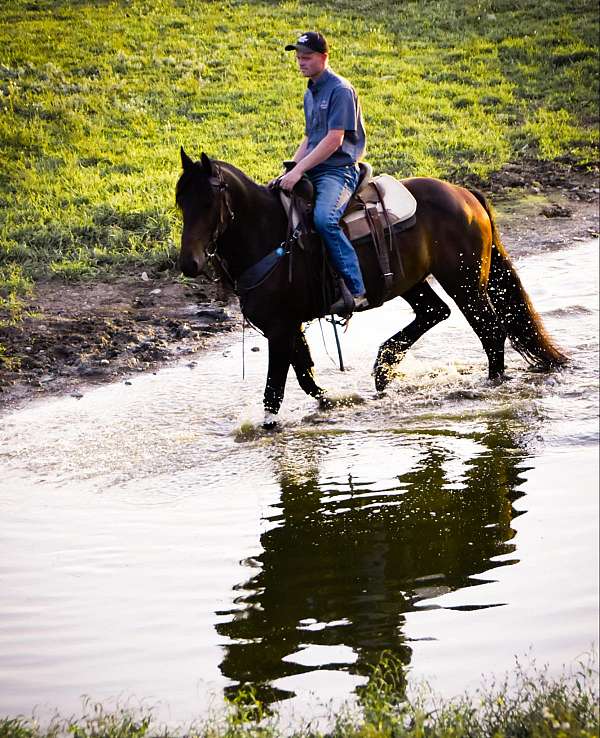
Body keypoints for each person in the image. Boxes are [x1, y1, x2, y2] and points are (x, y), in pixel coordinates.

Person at [279, 31, 368, 313]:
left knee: (324, 219)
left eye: (306, 57)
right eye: (298, 57)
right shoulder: (311, 90)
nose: (301, 62)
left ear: (324, 57)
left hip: (338, 171)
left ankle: (357, 290)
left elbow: (333, 141)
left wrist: (299, 172)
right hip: (313, 167)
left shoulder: (341, 90)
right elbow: (310, 138)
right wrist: (290, 170)